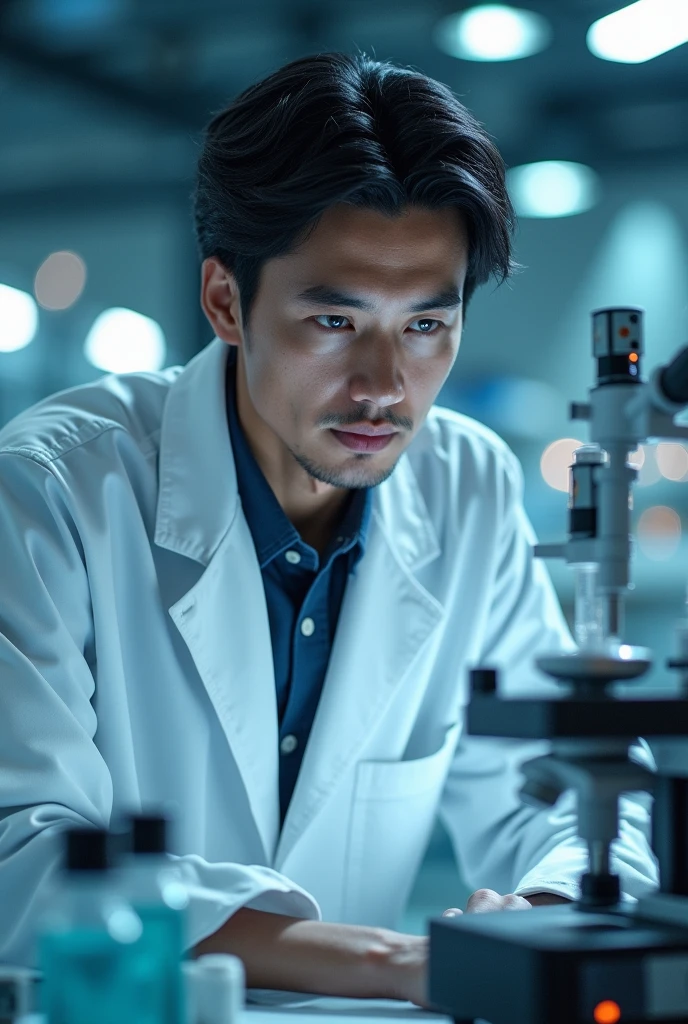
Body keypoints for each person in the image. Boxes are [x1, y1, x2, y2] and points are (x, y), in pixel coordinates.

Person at [0, 52, 656, 1007]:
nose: (385, 386)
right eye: (337, 322)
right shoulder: (56, 488)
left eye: (426, 325)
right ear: (227, 301)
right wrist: (401, 962)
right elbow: (20, 851)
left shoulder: (466, 485)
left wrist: (547, 908)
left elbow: (551, 787)